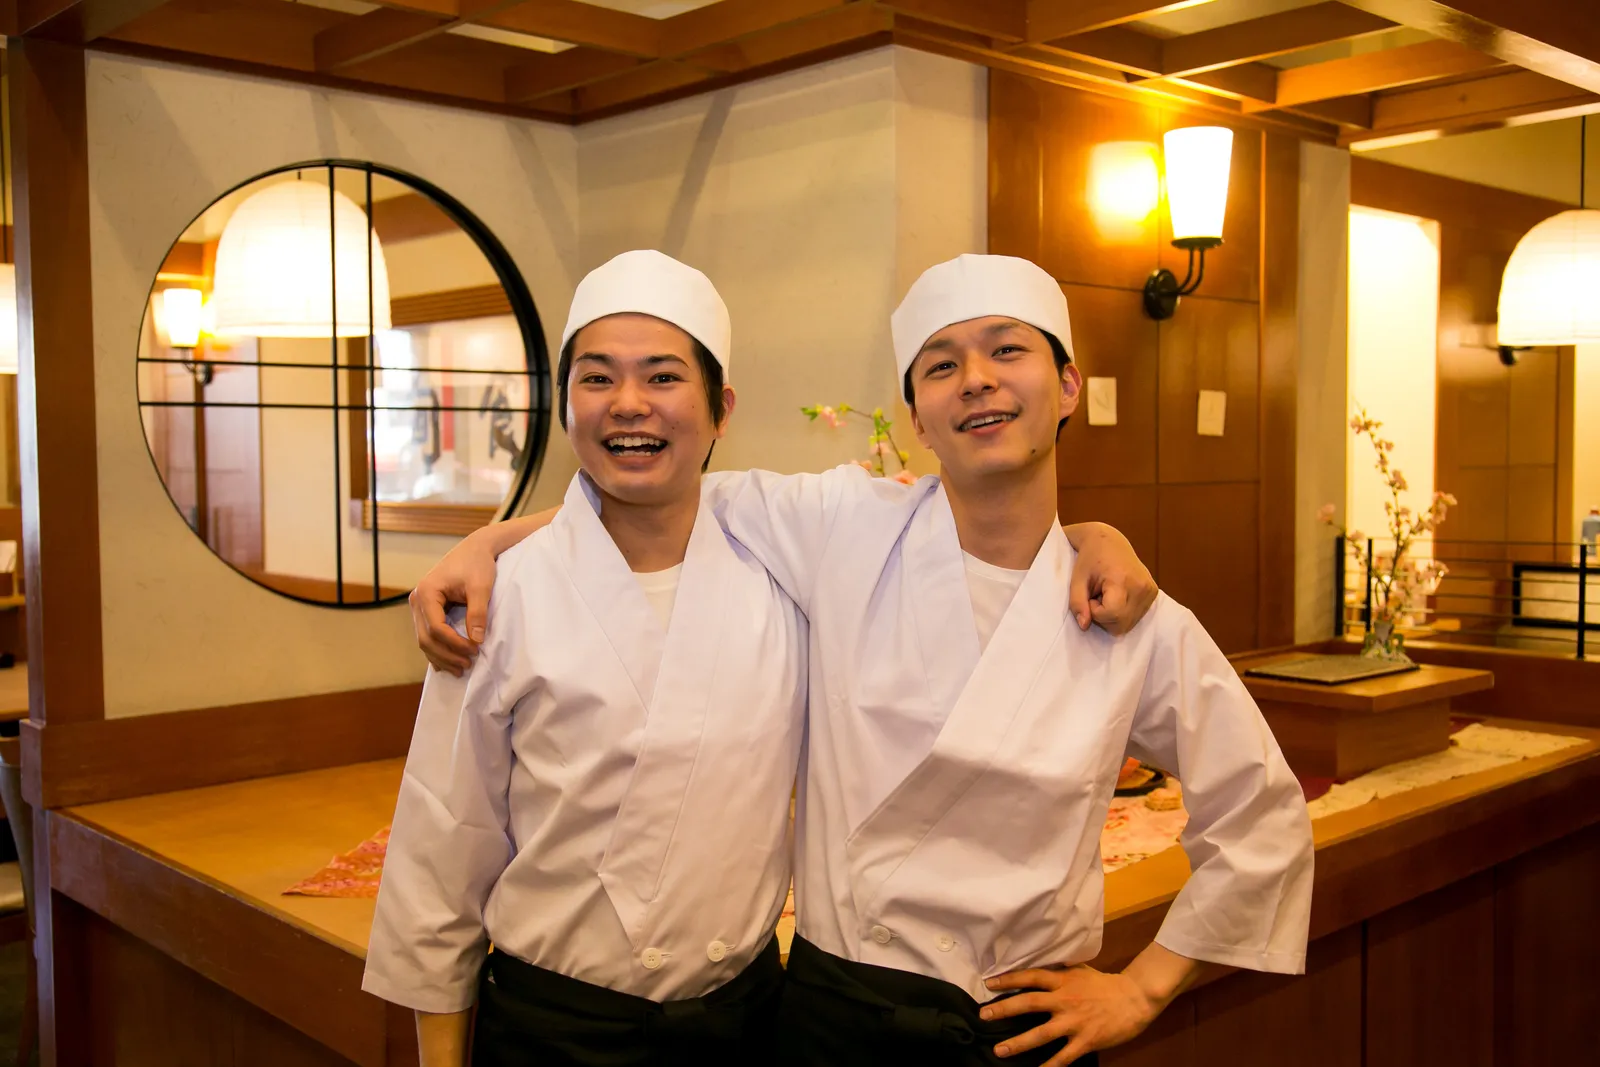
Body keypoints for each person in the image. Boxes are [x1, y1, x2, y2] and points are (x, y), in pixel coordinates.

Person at [409, 256, 1298, 1067]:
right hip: (828, 1024)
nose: (977, 380)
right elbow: (657, 485)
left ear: (1066, 384)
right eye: (941, 365)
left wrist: (1141, 988)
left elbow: (1260, 817)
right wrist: (486, 546)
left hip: (1022, 1030)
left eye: (1005, 351)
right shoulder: (844, 528)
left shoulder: (1125, 610)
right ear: (917, 416)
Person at [363, 250, 807, 1067]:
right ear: (565, 403)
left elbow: (954, 525)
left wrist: (1096, 540)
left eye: (664, 377)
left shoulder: (785, 574)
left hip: (743, 1025)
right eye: (596, 378)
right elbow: (443, 849)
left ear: (721, 408)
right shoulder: (504, 595)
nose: (628, 404)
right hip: (550, 1031)